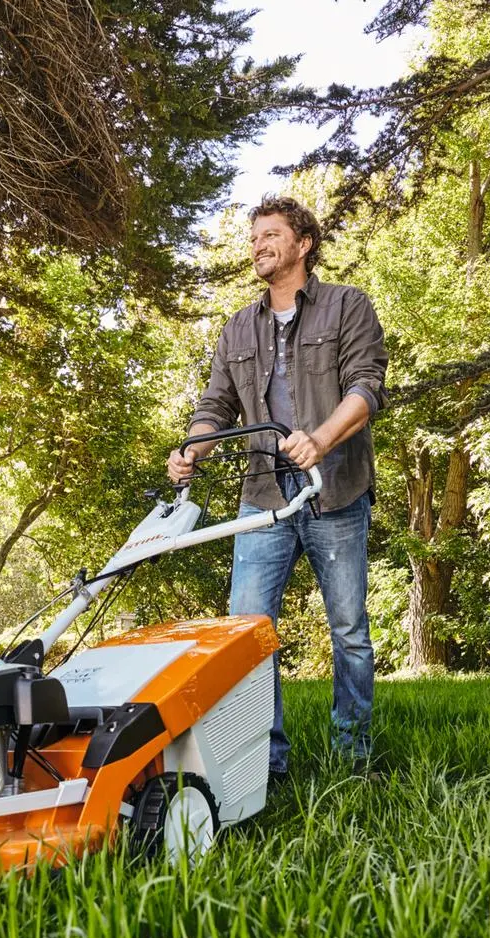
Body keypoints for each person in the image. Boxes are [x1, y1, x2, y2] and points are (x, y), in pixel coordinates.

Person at [167, 194, 388, 777]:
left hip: (335, 490)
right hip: (263, 496)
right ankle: (264, 765)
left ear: (303, 243)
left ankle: (352, 755)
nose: (258, 245)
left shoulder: (346, 306)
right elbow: (215, 407)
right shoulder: (239, 327)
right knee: (246, 632)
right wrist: (192, 449)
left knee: (349, 630)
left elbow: (367, 388)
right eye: (254, 237)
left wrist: (320, 440)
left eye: (270, 235)